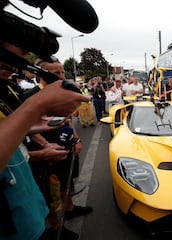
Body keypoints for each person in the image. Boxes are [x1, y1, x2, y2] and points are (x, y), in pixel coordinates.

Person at [0, 42, 89, 240]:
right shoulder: (31, 95)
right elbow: (20, 126)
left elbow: (65, 122)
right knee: (49, 194)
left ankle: (69, 211)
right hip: (37, 161)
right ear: (40, 73)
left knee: (65, 184)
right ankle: (55, 225)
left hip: (57, 149)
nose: (60, 77)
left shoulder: (10, 90)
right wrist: (42, 149)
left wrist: (75, 139)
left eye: (62, 72)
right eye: (55, 73)